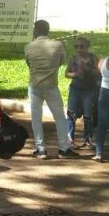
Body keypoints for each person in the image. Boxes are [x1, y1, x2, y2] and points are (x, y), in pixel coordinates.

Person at [24, 20, 78, 159]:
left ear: (36, 31)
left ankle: (40, 149)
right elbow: (61, 61)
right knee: (59, 117)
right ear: (48, 30)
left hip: (35, 85)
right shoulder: (58, 45)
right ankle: (64, 148)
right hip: (51, 85)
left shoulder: (28, 46)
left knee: (36, 118)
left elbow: (29, 64)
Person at [65, 37, 100, 149]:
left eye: (82, 46)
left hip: (89, 90)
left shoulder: (93, 58)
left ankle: (88, 139)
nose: (79, 49)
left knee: (88, 115)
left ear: (87, 47)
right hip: (75, 89)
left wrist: (87, 68)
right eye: (76, 46)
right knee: (71, 114)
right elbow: (67, 73)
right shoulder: (73, 58)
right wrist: (75, 74)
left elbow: (98, 74)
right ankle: (70, 139)